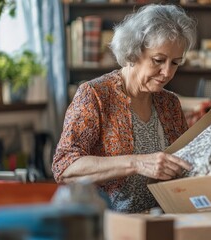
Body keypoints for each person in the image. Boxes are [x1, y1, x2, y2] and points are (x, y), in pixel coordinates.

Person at [52, 4, 197, 213]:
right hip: (111, 225)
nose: (167, 72)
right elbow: (65, 167)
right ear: (133, 52)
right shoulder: (95, 95)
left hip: (162, 222)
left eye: (175, 63)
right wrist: (136, 163)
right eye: (158, 60)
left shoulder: (170, 103)